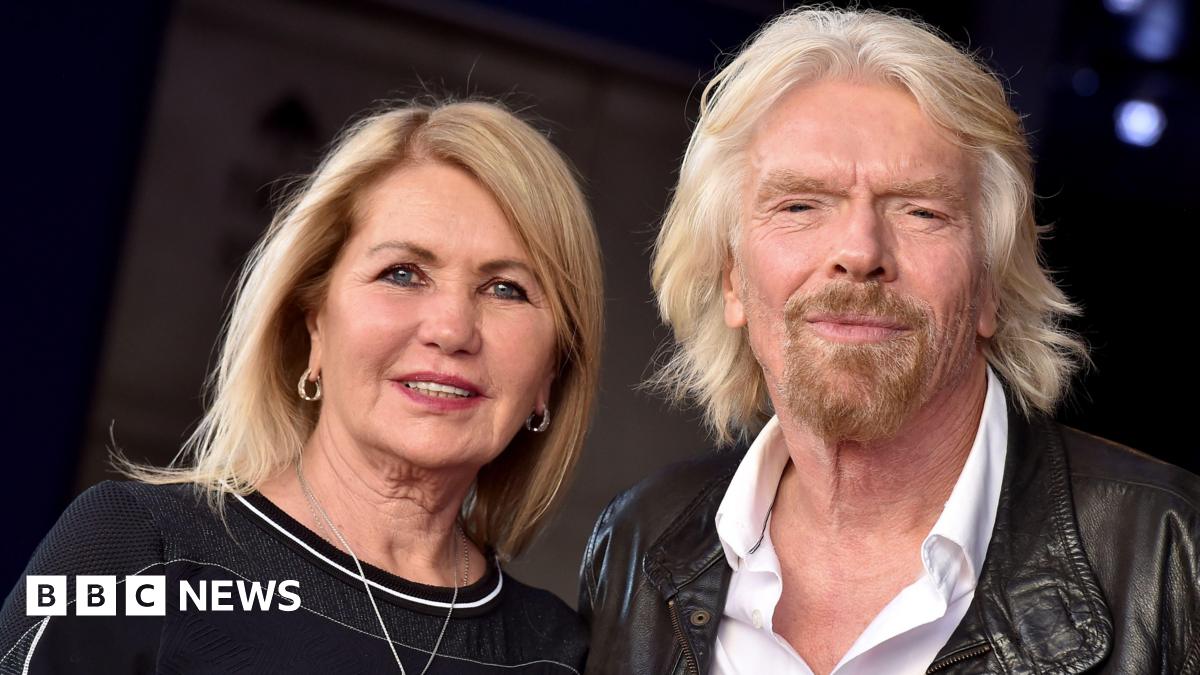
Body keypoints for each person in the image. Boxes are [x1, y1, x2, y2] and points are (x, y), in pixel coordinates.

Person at [579, 8, 1200, 675]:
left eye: (919, 210)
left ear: (992, 284)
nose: (859, 251)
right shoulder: (636, 543)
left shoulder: (1176, 556)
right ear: (731, 278)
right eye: (799, 205)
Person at [1, 100, 603, 674]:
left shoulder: (555, 653)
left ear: (551, 372)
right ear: (314, 323)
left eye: (506, 289)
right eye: (402, 274)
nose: (451, 329)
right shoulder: (137, 558)